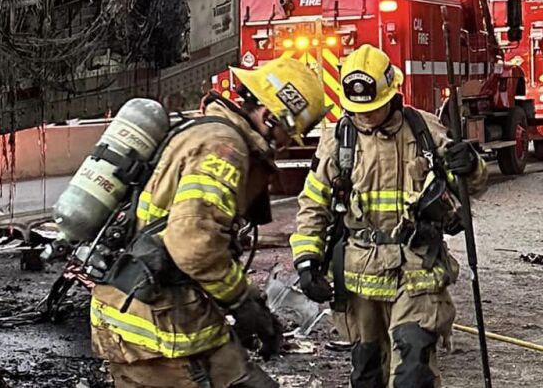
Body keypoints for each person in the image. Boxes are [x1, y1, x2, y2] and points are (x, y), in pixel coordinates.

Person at [89, 57, 327, 388]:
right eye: (289, 133)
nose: (287, 144)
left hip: (176, 312)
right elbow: (194, 245)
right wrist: (243, 302)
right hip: (153, 330)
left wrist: (254, 308)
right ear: (271, 116)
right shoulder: (223, 149)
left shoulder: (212, 133)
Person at [288, 44, 486, 388]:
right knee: (367, 376)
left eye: (373, 108)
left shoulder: (424, 130)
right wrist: (306, 261)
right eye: (357, 109)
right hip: (358, 279)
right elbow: (314, 203)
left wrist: (469, 165)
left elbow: (468, 184)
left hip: (417, 271)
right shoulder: (338, 140)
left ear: (392, 93)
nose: (364, 116)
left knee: (413, 373)